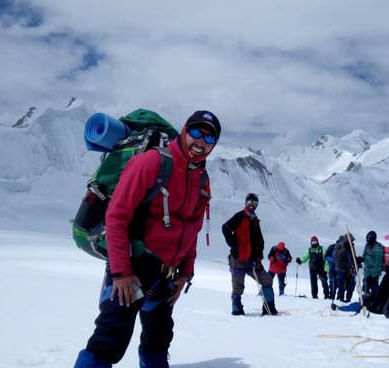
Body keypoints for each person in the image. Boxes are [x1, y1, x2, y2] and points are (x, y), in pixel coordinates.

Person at [74, 110, 220, 368]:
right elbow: (117, 216)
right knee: (109, 337)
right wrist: (120, 273)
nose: (201, 141)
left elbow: (192, 228)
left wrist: (185, 273)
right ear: (185, 130)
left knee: (158, 338)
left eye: (209, 137)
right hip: (134, 264)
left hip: (167, 274)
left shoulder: (203, 179)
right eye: (196, 132)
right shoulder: (153, 162)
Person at [222, 193, 278, 316]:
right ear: (245, 203)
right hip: (238, 259)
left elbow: (259, 240)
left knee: (267, 280)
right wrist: (234, 245)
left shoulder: (255, 221)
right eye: (250, 202)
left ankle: (269, 307)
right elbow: (225, 228)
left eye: (255, 203)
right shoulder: (240, 216)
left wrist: (258, 256)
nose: (252, 205)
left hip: (253, 261)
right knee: (238, 287)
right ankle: (236, 308)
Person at [360, 231, 384, 307]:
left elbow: (378, 263)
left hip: (374, 273)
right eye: (367, 238)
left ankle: (375, 304)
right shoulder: (367, 246)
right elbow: (364, 256)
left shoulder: (378, 249)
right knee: (365, 287)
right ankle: (365, 303)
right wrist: (359, 259)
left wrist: (374, 275)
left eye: (369, 238)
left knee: (374, 288)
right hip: (367, 271)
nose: (368, 240)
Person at [333, 233, 358, 302]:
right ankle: (340, 299)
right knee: (341, 286)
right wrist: (345, 248)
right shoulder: (339, 246)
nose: (352, 242)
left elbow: (352, 257)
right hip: (341, 269)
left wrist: (357, 260)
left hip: (349, 269)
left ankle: (348, 299)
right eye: (351, 241)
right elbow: (337, 257)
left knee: (351, 285)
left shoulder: (351, 247)